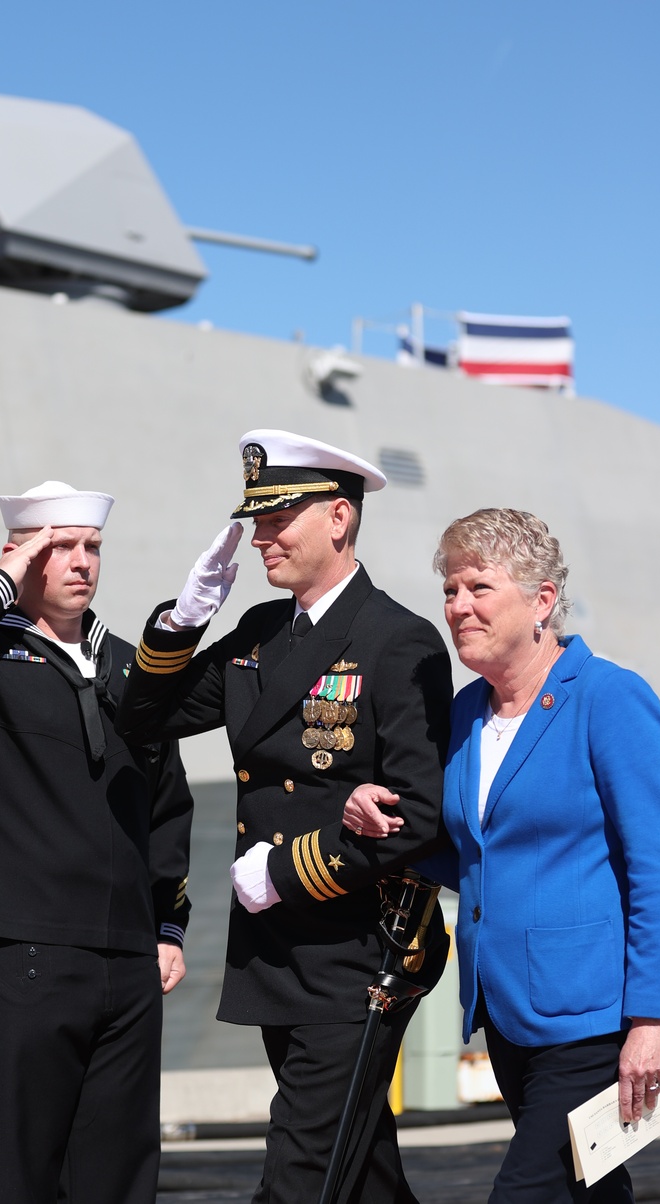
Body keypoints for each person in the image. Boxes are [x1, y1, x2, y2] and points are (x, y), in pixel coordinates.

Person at [116, 430, 452, 1204]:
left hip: (356, 952)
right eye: (256, 519)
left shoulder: (397, 642)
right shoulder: (261, 634)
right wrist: (184, 618)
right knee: (360, 1172)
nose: (261, 535)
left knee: (299, 1173)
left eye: (279, 518)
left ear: (339, 518)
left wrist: (284, 867)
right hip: (276, 951)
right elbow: (142, 716)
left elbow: (420, 816)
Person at [343, 507, 660, 1204]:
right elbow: (475, 857)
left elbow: (658, 869)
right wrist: (377, 827)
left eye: (479, 588)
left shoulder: (610, 699)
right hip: (505, 1013)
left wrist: (650, 1024)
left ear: (542, 601)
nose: (459, 606)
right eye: (450, 590)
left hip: (591, 1019)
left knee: (526, 1193)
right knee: (589, 1191)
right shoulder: (467, 714)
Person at [0, 480, 192, 1204]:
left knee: (118, 1180)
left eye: (93, 548)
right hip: (11, 955)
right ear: (21, 554)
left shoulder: (127, 666)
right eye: (61, 548)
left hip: (123, 962)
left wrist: (167, 923)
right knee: (14, 1177)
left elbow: (166, 801)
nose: (81, 563)